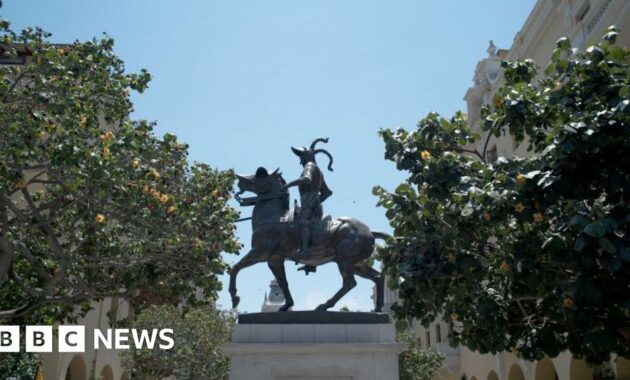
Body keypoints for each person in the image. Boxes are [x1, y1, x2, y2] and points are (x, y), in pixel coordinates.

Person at [284, 137, 334, 262]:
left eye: (301, 156)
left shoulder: (309, 166)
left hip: (308, 202)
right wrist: (316, 200)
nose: (300, 159)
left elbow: (307, 179)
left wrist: (288, 185)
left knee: (302, 223)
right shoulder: (319, 171)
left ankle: (305, 251)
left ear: (305, 156)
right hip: (312, 202)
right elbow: (327, 193)